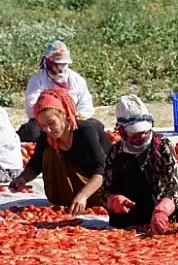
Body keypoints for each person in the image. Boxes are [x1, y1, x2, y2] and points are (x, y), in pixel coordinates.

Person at [9, 87, 111, 215]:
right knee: (49, 153)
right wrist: (21, 180)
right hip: (71, 197)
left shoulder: (85, 132)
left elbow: (103, 169)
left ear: (64, 114)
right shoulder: (47, 137)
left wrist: (83, 196)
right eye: (43, 126)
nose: (48, 130)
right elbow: (35, 165)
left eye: (51, 123)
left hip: (102, 188)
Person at [102, 95, 178, 234]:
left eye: (144, 133)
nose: (141, 138)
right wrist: (114, 200)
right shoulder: (115, 152)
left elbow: (174, 187)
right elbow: (105, 191)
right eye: (134, 134)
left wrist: (162, 210)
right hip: (132, 209)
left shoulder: (162, 146)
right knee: (119, 221)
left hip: (160, 202)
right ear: (122, 132)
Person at [17, 40, 101, 142]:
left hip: (73, 122)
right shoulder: (37, 80)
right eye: (58, 64)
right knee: (31, 131)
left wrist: (76, 118)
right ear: (48, 62)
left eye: (64, 64)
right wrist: (51, 119)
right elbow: (32, 106)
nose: (61, 68)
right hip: (47, 123)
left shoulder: (76, 79)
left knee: (95, 127)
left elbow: (86, 104)